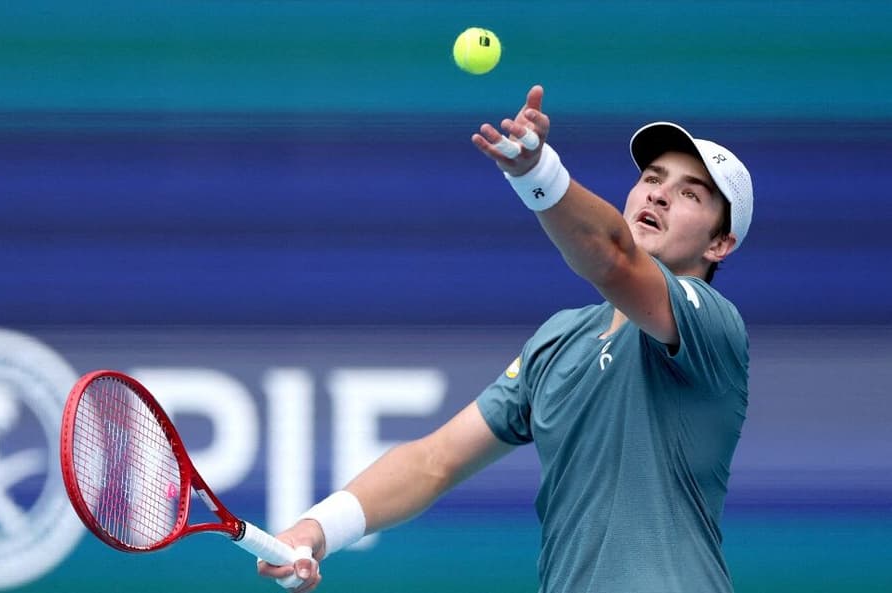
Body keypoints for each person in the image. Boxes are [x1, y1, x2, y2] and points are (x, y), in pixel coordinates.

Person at [257, 84, 753, 593]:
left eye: (690, 192)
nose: (658, 194)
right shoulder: (559, 340)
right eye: (651, 178)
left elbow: (614, 258)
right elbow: (434, 461)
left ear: (720, 243)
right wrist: (316, 529)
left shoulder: (713, 325)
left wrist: (536, 173)